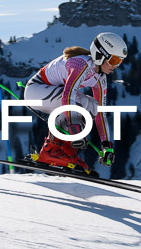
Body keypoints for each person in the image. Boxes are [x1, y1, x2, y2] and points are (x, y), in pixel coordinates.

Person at [23, 32, 127, 170]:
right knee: (77, 102)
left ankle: (66, 152)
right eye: (114, 60)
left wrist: (107, 145)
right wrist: (75, 130)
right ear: (100, 55)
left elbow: (100, 114)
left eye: (120, 62)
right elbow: (68, 96)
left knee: (92, 105)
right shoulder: (80, 64)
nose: (116, 66)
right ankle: (50, 151)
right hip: (35, 91)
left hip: (52, 93)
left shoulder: (100, 78)